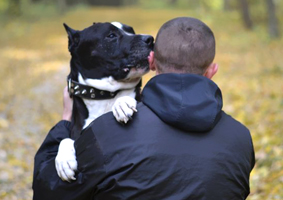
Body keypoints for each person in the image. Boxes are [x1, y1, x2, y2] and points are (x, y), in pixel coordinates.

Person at [33, 17, 255, 200]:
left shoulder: (107, 135)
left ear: (152, 63)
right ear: (212, 71)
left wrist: (64, 122)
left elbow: (48, 192)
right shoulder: (242, 139)